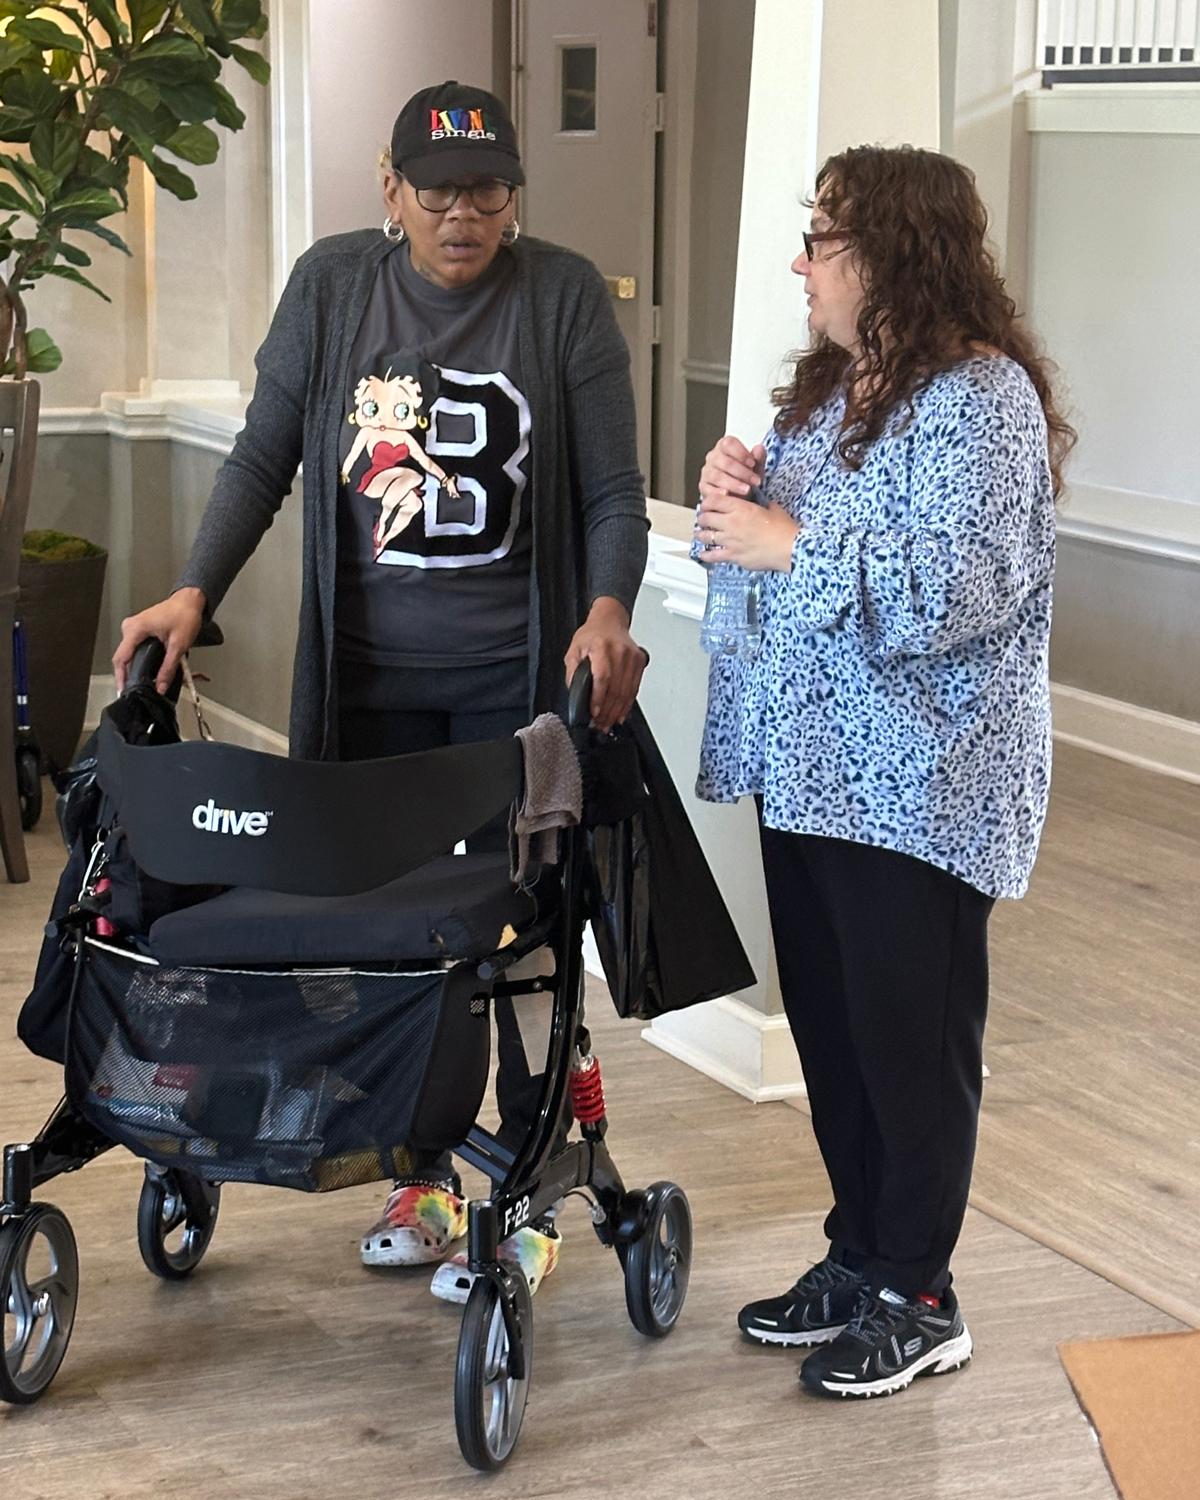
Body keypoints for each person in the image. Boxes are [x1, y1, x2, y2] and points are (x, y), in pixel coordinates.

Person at [113, 80, 649, 1301]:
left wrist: (608, 607)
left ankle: (522, 1181)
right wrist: (194, 591)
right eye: (439, 190)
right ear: (390, 187)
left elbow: (615, 491)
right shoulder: (332, 288)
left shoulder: (562, 297)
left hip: (513, 701)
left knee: (517, 937)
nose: (465, 215)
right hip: (366, 697)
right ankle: (418, 1173)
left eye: (489, 190)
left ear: (513, 194)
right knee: (377, 941)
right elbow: (263, 453)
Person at [694, 144, 1073, 1399]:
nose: (801, 263)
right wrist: (734, 499)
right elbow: (767, 561)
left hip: (921, 788)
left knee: (911, 1047)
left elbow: (960, 587)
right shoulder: (830, 393)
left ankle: (921, 1292)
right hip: (810, 773)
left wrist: (786, 538)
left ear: (894, 252)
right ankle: (860, 1253)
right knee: (837, 1035)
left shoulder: (983, 400)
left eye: (824, 239)